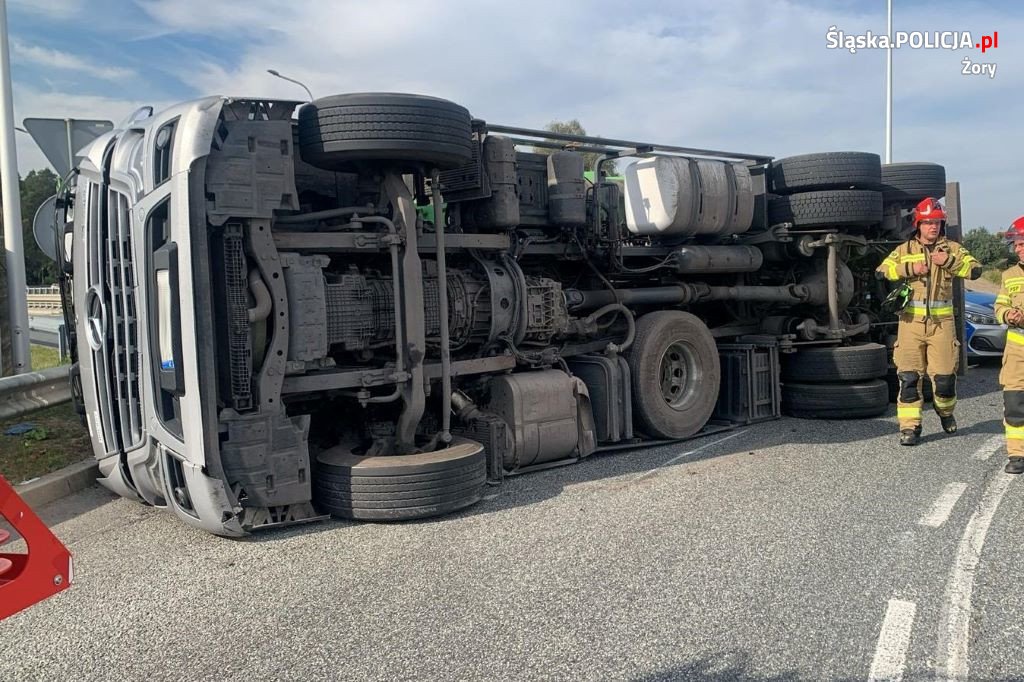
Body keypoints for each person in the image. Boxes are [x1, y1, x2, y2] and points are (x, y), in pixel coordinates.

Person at [877, 197, 981, 446]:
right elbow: (882, 271)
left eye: (937, 222)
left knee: (944, 381)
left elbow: (975, 270)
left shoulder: (952, 248)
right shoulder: (905, 250)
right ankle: (910, 428)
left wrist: (949, 262)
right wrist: (910, 270)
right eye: (928, 223)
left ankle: (945, 412)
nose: (933, 227)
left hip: (942, 325)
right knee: (910, 379)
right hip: (910, 324)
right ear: (918, 224)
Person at [993, 217, 1024, 474]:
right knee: (1014, 402)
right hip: (1017, 351)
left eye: (1022, 243)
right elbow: (1000, 305)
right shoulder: (1010, 275)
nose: (1018, 249)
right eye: (1016, 244)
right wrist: (1006, 315)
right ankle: (1017, 456)